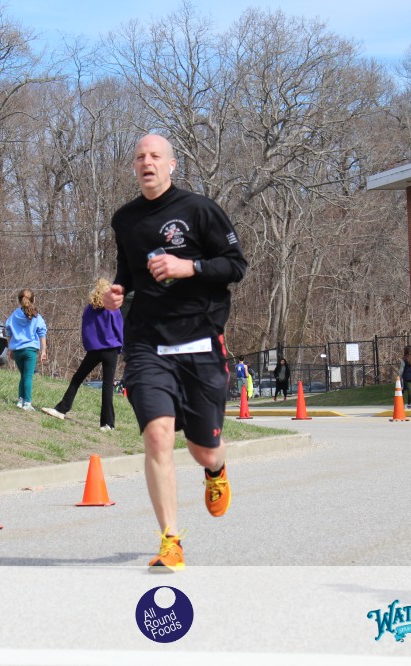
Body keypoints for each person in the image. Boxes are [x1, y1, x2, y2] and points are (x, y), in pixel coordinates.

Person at [101, 133, 248, 572]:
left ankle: (216, 469)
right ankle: (170, 539)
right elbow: (127, 271)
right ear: (134, 166)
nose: (146, 162)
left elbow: (236, 265)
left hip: (200, 341)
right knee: (158, 435)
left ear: (172, 164)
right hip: (147, 342)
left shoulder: (199, 210)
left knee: (203, 451)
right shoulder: (125, 219)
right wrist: (116, 291)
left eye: (155, 156)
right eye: (139, 156)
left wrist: (190, 267)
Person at [41, 278, 124, 431]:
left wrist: (89, 345)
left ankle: (62, 409)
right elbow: (119, 328)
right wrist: (120, 346)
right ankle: (107, 424)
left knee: (77, 378)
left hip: (94, 350)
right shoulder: (113, 308)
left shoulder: (89, 309)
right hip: (111, 350)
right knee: (107, 386)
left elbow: (86, 328)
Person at [6, 288, 48, 411]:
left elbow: (8, 331)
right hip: (30, 350)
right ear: (34, 300)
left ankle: (20, 400)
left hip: (17, 350)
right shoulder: (36, 316)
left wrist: (11, 348)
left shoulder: (14, 315)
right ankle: (27, 403)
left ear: (19, 301)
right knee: (28, 376)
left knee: (23, 375)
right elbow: (42, 333)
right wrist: (43, 351)